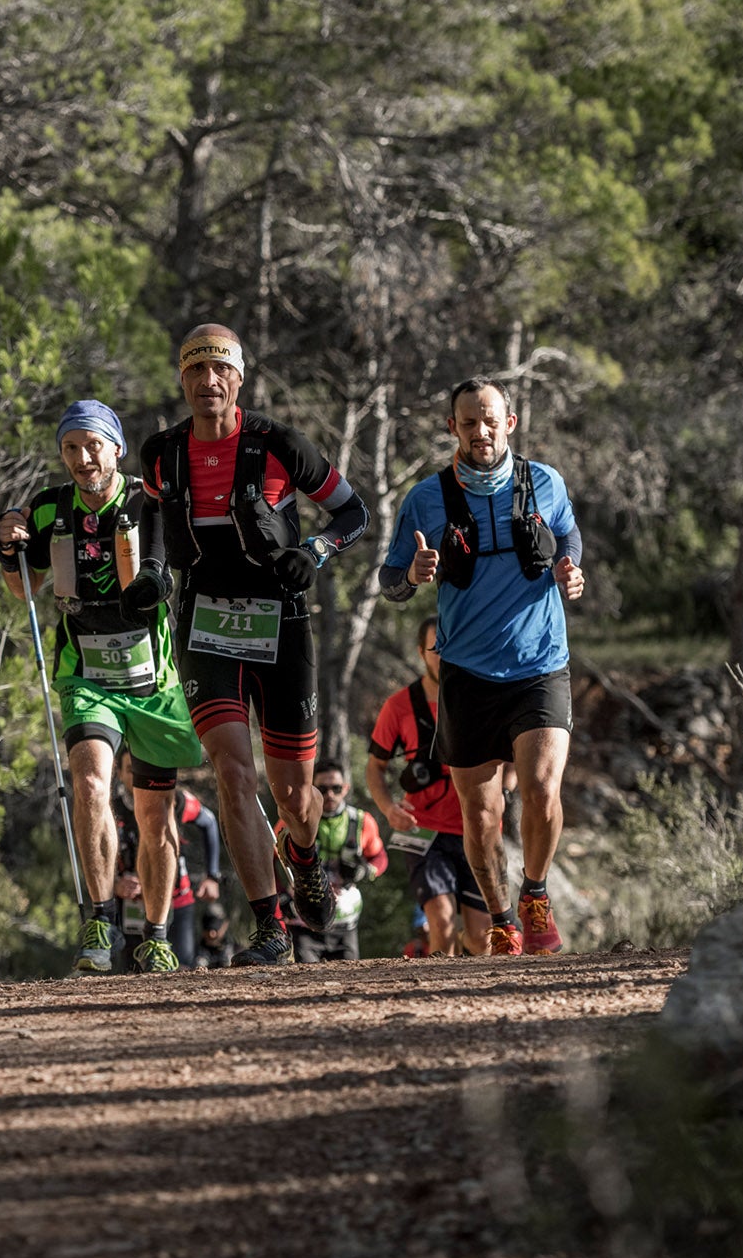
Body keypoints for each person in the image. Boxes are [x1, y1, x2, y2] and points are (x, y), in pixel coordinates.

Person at [131, 324, 369, 965]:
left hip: (282, 623)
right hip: (204, 625)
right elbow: (150, 509)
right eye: (196, 372)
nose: (209, 383)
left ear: (239, 378)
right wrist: (153, 569)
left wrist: (313, 551)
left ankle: (304, 852)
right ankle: (270, 926)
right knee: (233, 772)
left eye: (221, 372)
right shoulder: (163, 454)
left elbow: (354, 512)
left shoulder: (278, 444)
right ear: (182, 380)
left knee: (295, 795)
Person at [0, 401, 204, 975]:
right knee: (88, 782)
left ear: (116, 447)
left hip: (151, 681)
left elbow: (167, 565)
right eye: (70, 449)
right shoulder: (47, 509)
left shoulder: (146, 499)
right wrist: (5, 542)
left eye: (93, 446)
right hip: (85, 674)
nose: (83, 459)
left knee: (155, 813)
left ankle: (156, 934)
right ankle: (99, 919)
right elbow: (24, 588)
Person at [380, 378, 584, 955]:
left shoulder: (545, 482)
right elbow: (390, 580)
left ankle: (535, 894)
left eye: (490, 420)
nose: (481, 432)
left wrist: (570, 565)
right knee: (482, 811)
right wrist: (414, 574)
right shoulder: (426, 499)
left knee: (543, 786)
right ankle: (499, 918)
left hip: (541, 663)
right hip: (466, 673)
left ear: (510, 422)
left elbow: (569, 532)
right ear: (453, 428)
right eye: (468, 422)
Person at [365, 617, 494, 956]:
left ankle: (474, 994)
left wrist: (504, 791)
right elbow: (375, 768)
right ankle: (442, 1000)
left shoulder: (480, 700)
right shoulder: (399, 706)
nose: (443, 656)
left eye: (450, 648)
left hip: (475, 829)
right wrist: (388, 808)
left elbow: (507, 762)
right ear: (421, 652)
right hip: (422, 831)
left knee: (482, 936)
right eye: (435, 648)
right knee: (441, 920)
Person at [109, 751, 225, 967]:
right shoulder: (111, 809)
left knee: (181, 965)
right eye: (129, 770)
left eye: (139, 769)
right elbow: (98, 854)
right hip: (131, 904)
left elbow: (208, 821)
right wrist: (114, 884)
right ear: (118, 773)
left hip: (177, 899)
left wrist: (212, 876)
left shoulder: (176, 800)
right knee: (135, 969)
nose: (136, 776)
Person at [274, 759, 388, 962]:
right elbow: (268, 860)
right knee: (308, 982)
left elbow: (380, 857)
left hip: (346, 922)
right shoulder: (291, 822)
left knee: (351, 981)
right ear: (312, 790)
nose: (330, 795)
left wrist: (365, 870)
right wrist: (279, 896)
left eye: (336, 788)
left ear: (345, 788)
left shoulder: (362, 821)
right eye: (322, 789)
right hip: (303, 922)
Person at [195, 900, 236, 968]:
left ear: (225, 925)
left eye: (216, 929)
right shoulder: (193, 952)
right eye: (207, 929)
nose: (211, 934)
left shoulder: (237, 951)